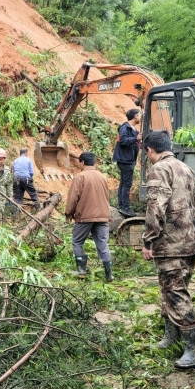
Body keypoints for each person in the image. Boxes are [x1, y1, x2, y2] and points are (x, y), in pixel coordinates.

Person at [141, 130, 195, 369]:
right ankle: (172, 336)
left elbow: (155, 207)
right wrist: (192, 234)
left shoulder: (159, 169)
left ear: (150, 150)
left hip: (171, 244)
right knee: (173, 290)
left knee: (175, 293)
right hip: (189, 243)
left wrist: (149, 239)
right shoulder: (186, 168)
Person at [64, 151, 113, 282]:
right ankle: (109, 274)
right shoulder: (102, 177)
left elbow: (73, 198)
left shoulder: (80, 177)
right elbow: (107, 197)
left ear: (82, 162)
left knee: (77, 241)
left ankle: (81, 271)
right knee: (103, 244)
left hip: (85, 216)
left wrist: (69, 213)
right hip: (103, 216)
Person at [112, 108, 142, 218]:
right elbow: (123, 141)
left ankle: (122, 205)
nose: (140, 117)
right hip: (125, 160)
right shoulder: (125, 127)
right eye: (139, 115)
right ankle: (125, 207)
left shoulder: (133, 129)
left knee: (123, 183)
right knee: (127, 183)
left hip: (128, 159)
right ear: (135, 116)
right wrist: (136, 138)